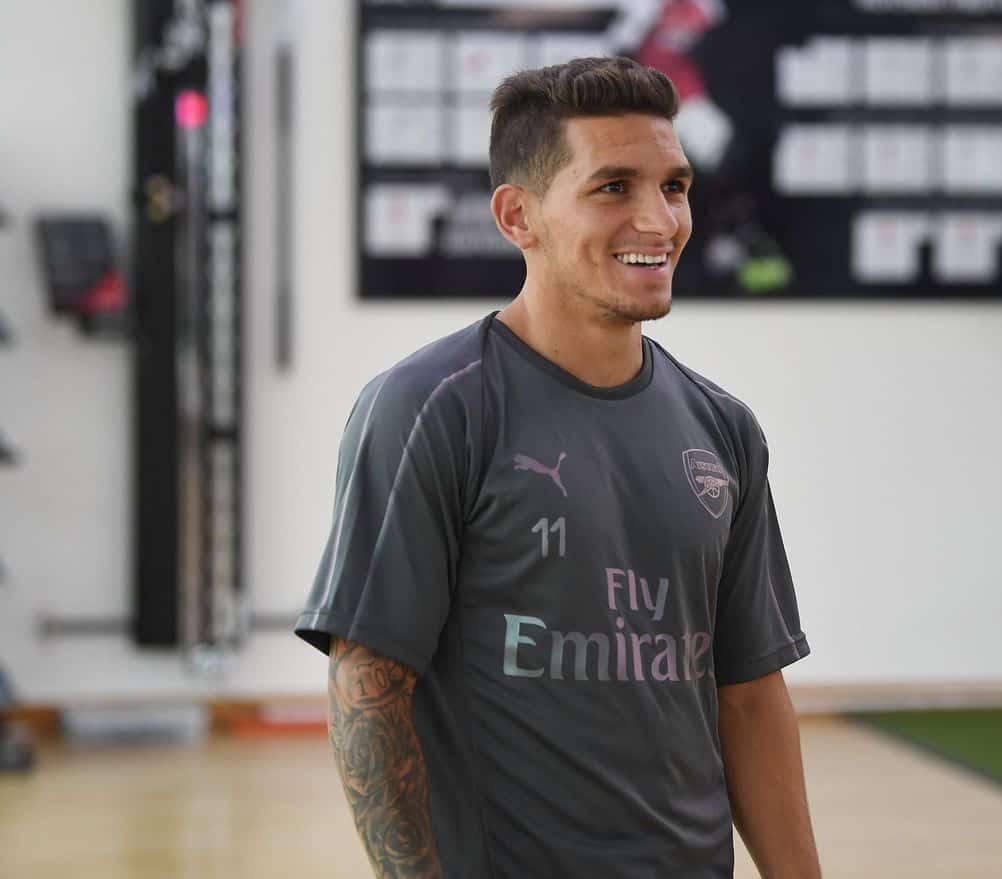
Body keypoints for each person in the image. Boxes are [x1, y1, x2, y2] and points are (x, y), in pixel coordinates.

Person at [295, 56, 821, 878]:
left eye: (674, 187)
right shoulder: (431, 407)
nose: (659, 219)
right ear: (519, 216)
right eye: (613, 187)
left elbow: (750, 696)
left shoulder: (724, 430)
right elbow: (368, 683)